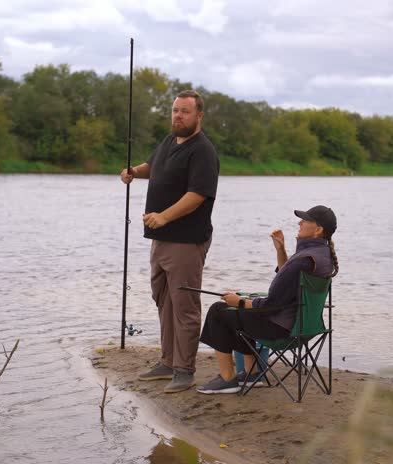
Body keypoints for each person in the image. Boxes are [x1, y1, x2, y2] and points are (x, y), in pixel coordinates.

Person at [120, 90, 219, 393]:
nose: (178, 116)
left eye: (185, 111)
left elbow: (197, 195)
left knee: (184, 305)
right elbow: (154, 166)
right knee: (163, 300)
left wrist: (164, 216)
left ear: (199, 115)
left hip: (186, 241)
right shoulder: (169, 141)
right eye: (175, 110)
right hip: (160, 239)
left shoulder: (203, 151)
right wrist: (135, 172)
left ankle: (184, 370)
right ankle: (167, 361)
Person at [197, 206, 339, 394]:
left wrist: (239, 301)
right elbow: (290, 284)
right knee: (243, 312)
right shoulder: (322, 256)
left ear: (318, 229)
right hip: (304, 328)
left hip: (281, 330)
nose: (300, 222)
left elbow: (271, 306)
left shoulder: (302, 260)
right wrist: (281, 250)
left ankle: (227, 378)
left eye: (305, 220)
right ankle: (252, 374)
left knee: (218, 310)